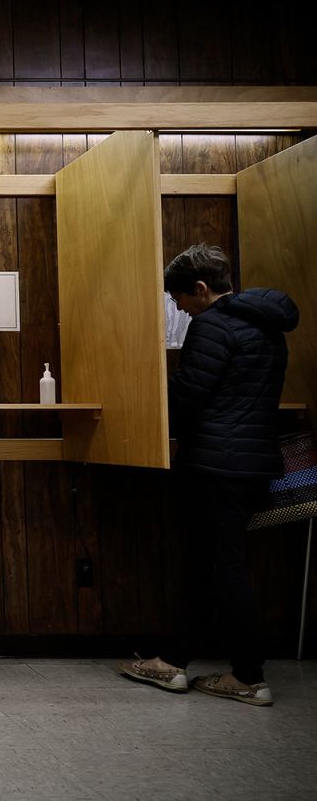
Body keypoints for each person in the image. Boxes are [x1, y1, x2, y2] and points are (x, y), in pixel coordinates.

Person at [119, 243, 298, 707]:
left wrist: (148, 405)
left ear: (201, 289)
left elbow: (188, 396)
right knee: (208, 563)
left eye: (179, 297)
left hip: (215, 465)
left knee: (223, 566)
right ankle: (175, 662)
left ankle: (249, 676)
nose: (177, 306)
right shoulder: (268, 327)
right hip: (252, 462)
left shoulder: (211, 326)